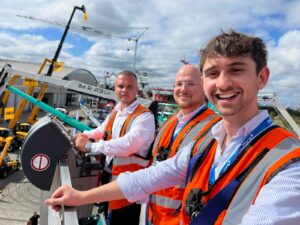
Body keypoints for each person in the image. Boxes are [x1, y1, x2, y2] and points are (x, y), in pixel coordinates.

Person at [45, 30, 300, 225]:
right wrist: (79, 197)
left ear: (262, 78)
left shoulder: (289, 163)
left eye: (236, 70)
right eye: (213, 73)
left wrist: (90, 147)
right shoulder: (207, 144)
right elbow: (146, 178)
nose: (222, 83)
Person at [73, 70, 156, 225]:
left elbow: (128, 145)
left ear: (136, 90)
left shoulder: (145, 116)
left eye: (129, 87)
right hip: (110, 177)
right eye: (120, 86)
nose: (124, 90)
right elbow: (102, 131)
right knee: (107, 215)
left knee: (121, 220)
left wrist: (90, 146)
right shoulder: (116, 111)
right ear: (115, 89)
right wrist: (83, 135)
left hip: (130, 186)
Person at [147, 64, 220, 225]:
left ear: (205, 88)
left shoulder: (216, 128)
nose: (183, 89)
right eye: (178, 84)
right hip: (154, 216)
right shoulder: (170, 122)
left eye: (191, 84)